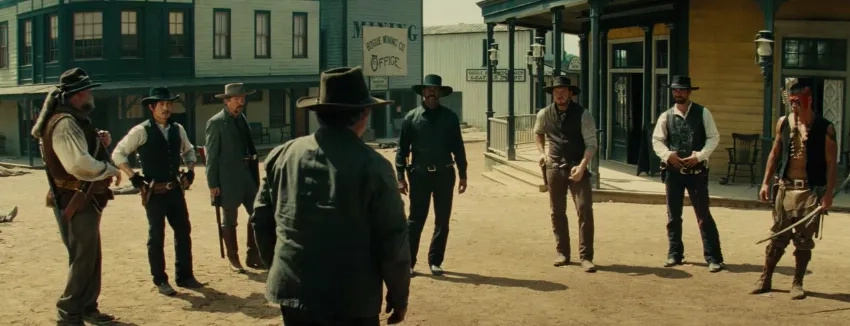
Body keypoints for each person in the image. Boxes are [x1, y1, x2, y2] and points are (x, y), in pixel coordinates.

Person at [250, 66, 410, 325]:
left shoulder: (281, 155)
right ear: (364, 114)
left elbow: (260, 220)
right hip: (352, 298)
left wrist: (280, 267)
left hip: (293, 290)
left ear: (319, 114)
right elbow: (393, 239)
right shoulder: (374, 166)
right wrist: (398, 294)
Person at [30, 68, 121, 325]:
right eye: (88, 90)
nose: (91, 94)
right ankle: (69, 310)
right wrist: (108, 169)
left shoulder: (74, 120)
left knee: (90, 256)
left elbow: (82, 150)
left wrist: (98, 140)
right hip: (75, 199)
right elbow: (78, 164)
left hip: (83, 198)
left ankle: (88, 307)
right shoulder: (64, 123)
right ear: (78, 95)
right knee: (82, 257)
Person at [111, 87, 204, 296]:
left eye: (169, 104)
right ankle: (160, 279)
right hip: (154, 192)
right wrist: (133, 176)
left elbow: (188, 151)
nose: (166, 108)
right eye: (162, 104)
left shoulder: (177, 129)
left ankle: (185, 276)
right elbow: (118, 154)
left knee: (183, 232)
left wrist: (190, 171)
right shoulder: (141, 131)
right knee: (156, 236)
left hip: (175, 190)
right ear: (152, 107)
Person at [751, 78, 837, 300]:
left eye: (797, 102)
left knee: (803, 240)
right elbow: (775, 153)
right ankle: (765, 278)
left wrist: (827, 195)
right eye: (791, 103)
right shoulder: (784, 123)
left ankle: (797, 282)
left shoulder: (824, 127)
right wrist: (765, 182)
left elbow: (830, 163)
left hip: (810, 192)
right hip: (785, 188)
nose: (793, 107)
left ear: (807, 102)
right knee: (777, 238)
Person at [396, 74, 468, 277]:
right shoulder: (411, 117)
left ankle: (435, 261)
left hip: (445, 175)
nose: (432, 93)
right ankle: (409, 263)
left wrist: (463, 174)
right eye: (428, 89)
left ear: (441, 93)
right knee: (415, 220)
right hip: (419, 176)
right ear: (422, 93)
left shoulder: (450, 117)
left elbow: (459, 148)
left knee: (442, 220)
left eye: (435, 90)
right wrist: (400, 176)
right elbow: (402, 149)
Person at [651, 75, 725, 273]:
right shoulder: (666, 116)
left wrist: (699, 156)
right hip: (674, 172)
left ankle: (713, 257)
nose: (678, 93)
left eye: (682, 90)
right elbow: (657, 140)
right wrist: (668, 155)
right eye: (675, 90)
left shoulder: (703, 113)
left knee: (703, 215)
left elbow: (713, 137)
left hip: (696, 172)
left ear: (689, 92)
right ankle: (675, 253)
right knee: (673, 215)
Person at [532, 76, 598, 272]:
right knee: (557, 211)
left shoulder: (583, 115)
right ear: (552, 94)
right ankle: (562, 253)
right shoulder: (544, 114)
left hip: (577, 167)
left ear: (570, 93)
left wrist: (583, 165)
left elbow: (591, 143)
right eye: (556, 92)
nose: (559, 95)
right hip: (554, 167)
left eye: (563, 91)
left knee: (584, 209)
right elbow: (538, 132)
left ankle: (586, 257)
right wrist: (542, 153)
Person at [204, 83, 263, 273]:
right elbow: (211, 156)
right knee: (230, 219)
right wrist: (212, 183)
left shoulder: (241, 119)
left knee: (257, 213)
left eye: (243, 99)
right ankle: (233, 257)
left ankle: (253, 254)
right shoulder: (216, 123)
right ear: (227, 101)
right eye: (237, 99)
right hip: (227, 178)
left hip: (247, 174)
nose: (241, 102)